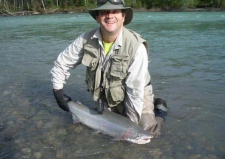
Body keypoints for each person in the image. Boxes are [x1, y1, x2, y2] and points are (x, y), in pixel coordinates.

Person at [50, 0, 167, 135]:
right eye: (104, 12)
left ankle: (160, 112)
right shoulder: (85, 39)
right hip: (107, 95)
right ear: (97, 18)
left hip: (137, 93)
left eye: (115, 12)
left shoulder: (137, 47)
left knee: (148, 133)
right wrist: (58, 93)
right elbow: (61, 64)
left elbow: (134, 90)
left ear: (123, 17)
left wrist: (130, 127)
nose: (110, 16)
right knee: (98, 128)